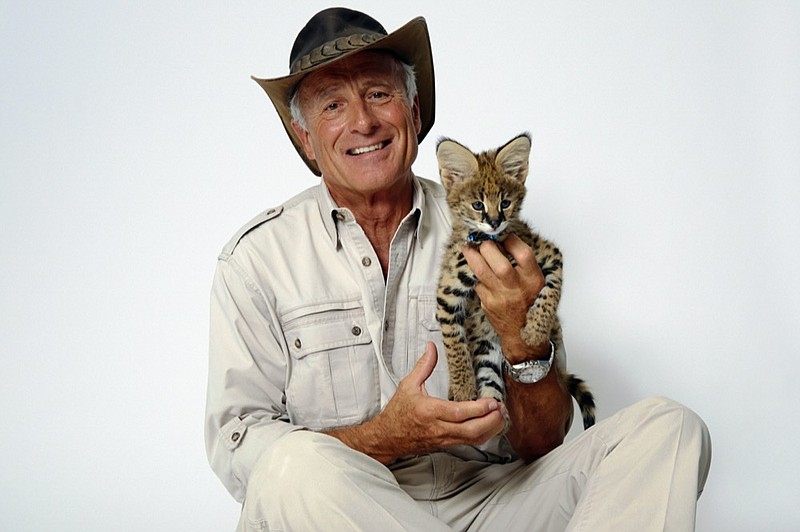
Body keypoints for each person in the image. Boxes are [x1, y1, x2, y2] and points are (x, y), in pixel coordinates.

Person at [205, 7, 711, 531]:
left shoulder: (493, 237)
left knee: (668, 429)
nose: (363, 121)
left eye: (379, 93)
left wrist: (521, 340)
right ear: (305, 139)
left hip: (492, 502)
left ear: (415, 112)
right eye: (333, 104)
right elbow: (241, 452)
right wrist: (385, 436)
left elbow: (542, 440)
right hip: (350, 510)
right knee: (288, 466)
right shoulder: (256, 260)